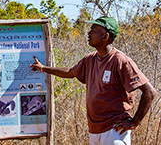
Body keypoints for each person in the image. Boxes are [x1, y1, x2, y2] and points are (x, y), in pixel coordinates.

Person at [30, 16, 157, 145]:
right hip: (94, 130)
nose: (89, 33)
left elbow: (150, 92)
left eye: (94, 30)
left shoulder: (121, 61)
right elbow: (70, 72)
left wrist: (134, 122)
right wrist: (43, 68)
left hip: (115, 131)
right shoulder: (90, 59)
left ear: (105, 36)